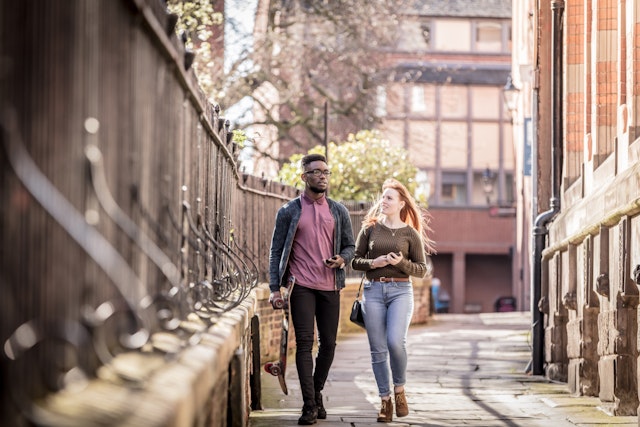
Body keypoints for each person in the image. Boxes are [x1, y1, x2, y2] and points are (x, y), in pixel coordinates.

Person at [268, 153, 355, 425]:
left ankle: (316, 393)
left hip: (330, 285)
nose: (323, 176)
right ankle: (308, 406)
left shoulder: (338, 210)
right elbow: (276, 251)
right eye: (317, 171)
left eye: (326, 172)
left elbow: (349, 246)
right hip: (301, 285)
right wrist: (274, 288)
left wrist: (342, 258)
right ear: (304, 177)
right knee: (305, 344)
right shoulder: (289, 211)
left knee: (328, 344)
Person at [351, 178, 435, 423]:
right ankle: (385, 401)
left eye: (389, 198)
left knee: (395, 342)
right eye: (383, 196)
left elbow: (421, 270)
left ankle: (399, 390)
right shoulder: (370, 228)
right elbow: (355, 261)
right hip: (373, 291)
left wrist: (400, 263)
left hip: (400, 291)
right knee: (377, 350)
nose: (383, 201)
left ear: (401, 204)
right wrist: (374, 263)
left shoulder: (410, 234)